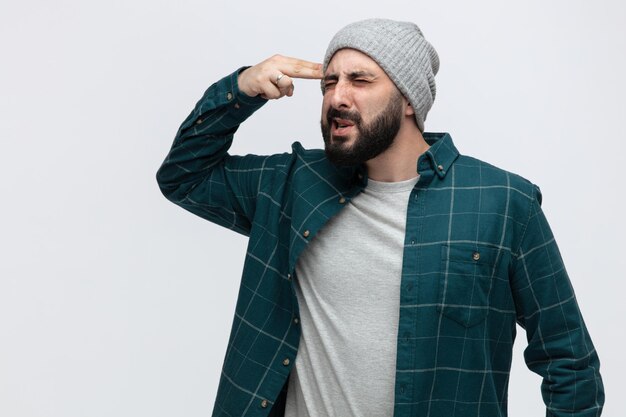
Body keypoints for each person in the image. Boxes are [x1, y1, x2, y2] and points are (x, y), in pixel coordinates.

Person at [157, 18, 604, 417]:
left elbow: (569, 362)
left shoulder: (503, 202)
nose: (337, 97)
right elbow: (183, 177)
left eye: (360, 80)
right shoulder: (292, 184)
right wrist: (240, 89)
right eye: (329, 83)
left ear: (408, 100)